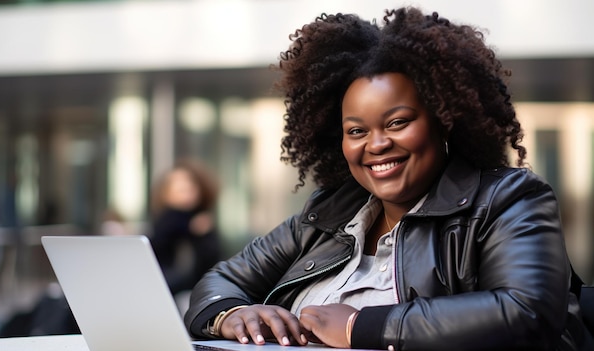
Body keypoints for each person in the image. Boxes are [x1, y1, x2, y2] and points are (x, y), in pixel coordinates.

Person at [184, 6, 592, 351]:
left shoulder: (508, 199)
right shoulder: (327, 216)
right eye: (357, 131)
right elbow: (220, 281)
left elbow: (527, 310)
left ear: (444, 123)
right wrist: (234, 315)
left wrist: (359, 327)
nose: (376, 144)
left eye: (397, 122)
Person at [149, 158, 221, 296]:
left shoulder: (202, 220)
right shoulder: (167, 220)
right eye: (178, 188)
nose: (183, 193)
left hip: (194, 288)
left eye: (188, 188)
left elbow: (211, 260)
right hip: (167, 285)